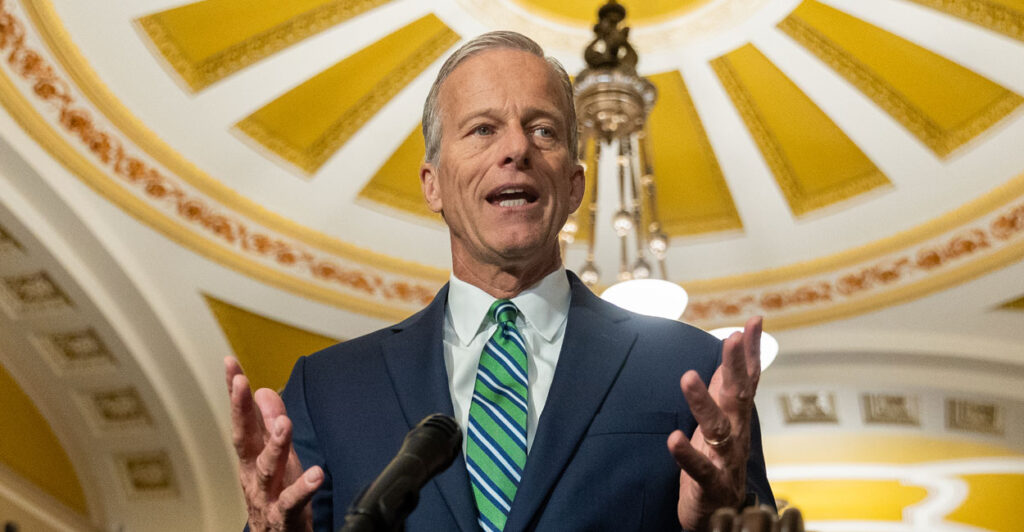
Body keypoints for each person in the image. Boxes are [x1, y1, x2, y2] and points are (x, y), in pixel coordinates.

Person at [226, 31, 772, 532]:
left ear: (575, 185)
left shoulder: (689, 369)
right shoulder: (329, 389)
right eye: (483, 129)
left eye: (543, 130)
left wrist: (718, 519)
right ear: (433, 184)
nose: (517, 149)